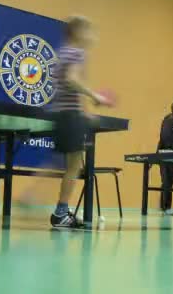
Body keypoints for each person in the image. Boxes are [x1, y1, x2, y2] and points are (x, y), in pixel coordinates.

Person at [49, 16, 112, 228]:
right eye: (89, 31)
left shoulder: (62, 53)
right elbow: (72, 80)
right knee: (74, 166)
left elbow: (65, 89)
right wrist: (95, 96)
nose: (92, 36)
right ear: (77, 33)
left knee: (60, 164)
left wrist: (85, 113)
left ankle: (37, 197)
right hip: (69, 116)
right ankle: (60, 213)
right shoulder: (77, 52)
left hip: (61, 113)